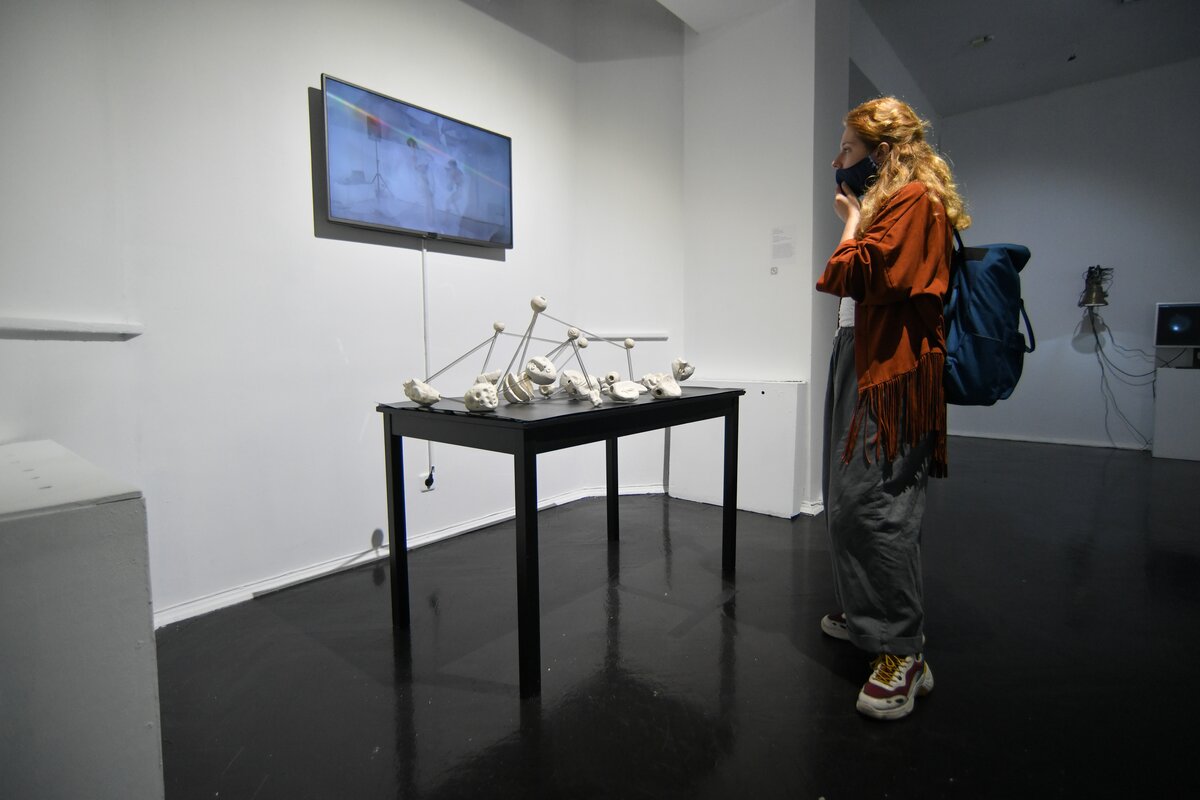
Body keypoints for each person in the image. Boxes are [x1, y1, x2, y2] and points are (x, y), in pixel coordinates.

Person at [815, 97, 970, 721]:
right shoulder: (896, 203)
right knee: (849, 498)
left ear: (881, 152)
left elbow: (851, 274)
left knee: (878, 504)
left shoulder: (915, 201)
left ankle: (903, 651)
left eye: (847, 150)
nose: (837, 161)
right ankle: (868, 615)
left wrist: (851, 221)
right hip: (863, 359)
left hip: (893, 372)